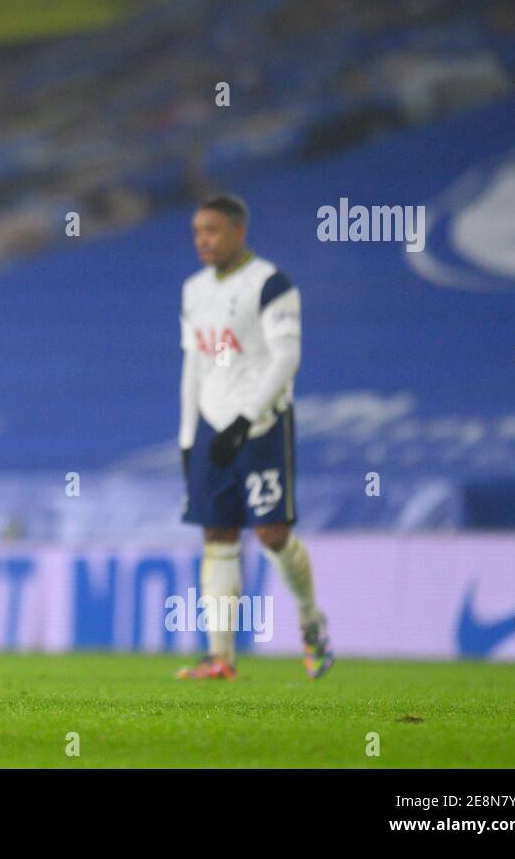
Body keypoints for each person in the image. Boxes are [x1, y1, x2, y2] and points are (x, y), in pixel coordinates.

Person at [176, 194, 334, 680]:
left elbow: (286, 358)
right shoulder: (194, 289)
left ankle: (310, 619)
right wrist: (187, 438)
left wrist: (246, 419)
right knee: (217, 533)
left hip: (262, 425)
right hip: (209, 424)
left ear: (239, 233)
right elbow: (196, 365)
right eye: (198, 231)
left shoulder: (271, 284)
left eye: (213, 231)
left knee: (271, 533)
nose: (204, 240)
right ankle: (221, 657)